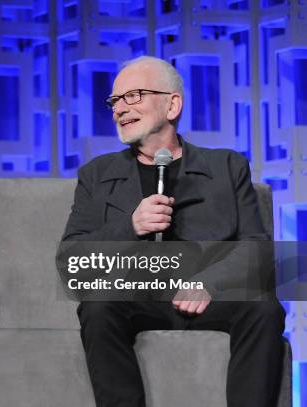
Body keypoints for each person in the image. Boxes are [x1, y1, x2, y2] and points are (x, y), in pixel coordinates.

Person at [61, 56, 285, 407]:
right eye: (115, 100)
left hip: (207, 295)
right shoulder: (96, 174)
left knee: (264, 307)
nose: (119, 108)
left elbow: (256, 246)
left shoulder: (227, 165)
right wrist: (129, 227)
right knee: (98, 305)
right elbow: (72, 261)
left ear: (172, 104)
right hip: (137, 296)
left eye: (133, 96)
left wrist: (209, 283)